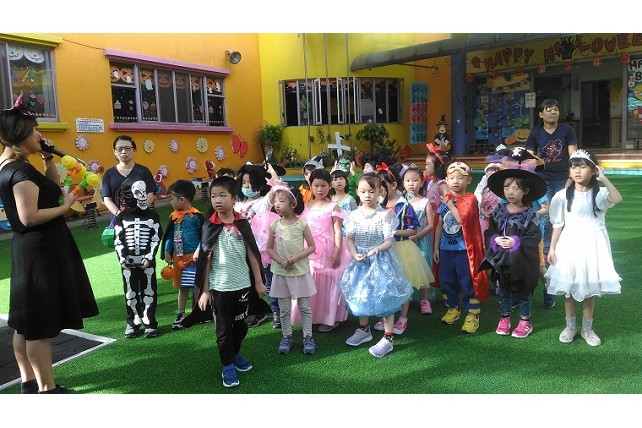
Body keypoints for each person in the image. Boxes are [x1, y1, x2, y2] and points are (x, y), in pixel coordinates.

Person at [0, 93, 98, 393]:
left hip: (32, 249)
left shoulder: (13, 166)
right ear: (21, 134)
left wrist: (47, 158)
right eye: (35, 130)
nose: (40, 135)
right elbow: (29, 217)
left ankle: (29, 383)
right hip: (40, 250)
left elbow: (52, 187)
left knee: (25, 322)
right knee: (39, 325)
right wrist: (66, 206)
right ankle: (47, 389)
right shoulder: (20, 171)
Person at [194, 176, 268, 387]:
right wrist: (205, 290)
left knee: (241, 326)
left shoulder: (242, 223)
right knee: (223, 329)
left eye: (222, 195)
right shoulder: (209, 225)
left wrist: (258, 282)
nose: (217, 200)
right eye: (213, 196)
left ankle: (234, 353)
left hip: (242, 284)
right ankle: (227, 364)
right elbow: (206, 260)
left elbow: (252, 254)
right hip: (219, 287)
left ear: (234, 198)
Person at [545, 150, 622, 347]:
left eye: (582, 166)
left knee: (589, 289)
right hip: (570, 244)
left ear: (593, 170)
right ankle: (570, 327)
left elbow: (617, 199)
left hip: (593, 245)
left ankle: (587, 329)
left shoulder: (600, 193)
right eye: (573, 167)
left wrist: (603, 178)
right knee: (569, 287)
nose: (577, 171)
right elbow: (557, 224)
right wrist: (552, 248)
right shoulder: (562, 196)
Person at [338, 174, 413, 358]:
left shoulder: (384, 215)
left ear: (380, 191)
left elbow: (389, 240)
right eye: (363, 191)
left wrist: (376, 250)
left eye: (372, 191)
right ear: (357, 192)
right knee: (360, 294)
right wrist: (354, 253)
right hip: (360, 261)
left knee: (385, 296)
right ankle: (364, 329)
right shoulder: (353, 215)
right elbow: (350, 239)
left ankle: (388, 337)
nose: (367, 195)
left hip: (381, 261)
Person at [480, 163, 546, 338]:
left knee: (523, 290)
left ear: (525, 191)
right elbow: (490, 231)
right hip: (502, 260)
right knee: (503, 289)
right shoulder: (498, 211)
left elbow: (534, 236)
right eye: (507, 187)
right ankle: (505, 318)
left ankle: (525, 320)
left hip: (522, 261)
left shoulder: (530, 214)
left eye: (516, 188)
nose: (510, 192)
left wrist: (515, 242)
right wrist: (495, 239)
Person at [525, 99, 578, 309]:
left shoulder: (567, 130)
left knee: (565, 215)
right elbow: (529, 159)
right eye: (549, 109)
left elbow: (574, 155)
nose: (553, 112)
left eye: (556, 109)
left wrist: (571, 178)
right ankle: (546, 251)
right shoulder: (535, 134)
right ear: (541, 114)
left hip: (564, 178)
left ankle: (562, 250)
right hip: (543, 180)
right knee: (545, 215)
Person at [373, 163, 433, 335]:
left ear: (393, 185)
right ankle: (386, 315)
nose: (379, 189)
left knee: (403, 283)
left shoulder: (404, 205)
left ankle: (403, 318)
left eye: (382, 185)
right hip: (382, 250)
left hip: (401, 249)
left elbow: (413, 230)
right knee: (385, 283)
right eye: (377, 186)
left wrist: (394, 232)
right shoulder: (378, 205)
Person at [433, 161, 489, 334]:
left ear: (469, 180)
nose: (455, 181)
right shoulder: (444, 201)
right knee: (446, 280)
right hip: (446, 249)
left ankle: (473, 314)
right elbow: (439, 225)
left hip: (464, 251)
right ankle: (453, 308)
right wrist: (436, 247)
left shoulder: (470, 200)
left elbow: (462, 220)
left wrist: (450, 204)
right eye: (452, 178)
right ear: (447, 180)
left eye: (460, 178)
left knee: (468, 281)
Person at [292, 168, 350, 332]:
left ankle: (330, 318)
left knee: (328, 282)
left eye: (323, 186)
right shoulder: (306, 206)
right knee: (311, 280)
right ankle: (313, 315)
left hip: (328, 249)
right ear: (310, 185)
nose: (320, 189)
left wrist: (337, 251)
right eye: (316, 185)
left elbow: (338, 230)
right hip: (310, 250)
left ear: (330, 186)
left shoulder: (333, 207)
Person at [265, 185, 317, 355]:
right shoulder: (274, 225)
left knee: (305, 307)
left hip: (300, 271)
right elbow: (269, 249)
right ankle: (286, 336)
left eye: (281, 201)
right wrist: (281, 261)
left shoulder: (302, 224)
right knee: (284, 309)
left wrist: (296, 257)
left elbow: (312, 246)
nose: (277, 204)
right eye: (275, 201)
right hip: (281, 273)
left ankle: (308, 336)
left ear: (293, 204)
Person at [113, 176, 163, 338]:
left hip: (147, 262)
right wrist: (122, 259)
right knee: (130, 292)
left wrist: (149, 257)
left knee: (149, 291)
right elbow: (118, 239)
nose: (142, 196)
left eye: (144, 192)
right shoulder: (121, 217)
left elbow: (156, 237)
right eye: (138, 192)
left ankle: (150, 322)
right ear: (128, 195)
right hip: (128, 263)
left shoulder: (152, 215)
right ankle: (133, 322)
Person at [235, 162, 282, 328]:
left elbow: (277, 188)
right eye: (243, 182)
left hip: (262, 253)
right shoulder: (237, 205)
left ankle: (276, 310)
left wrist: (271, 172)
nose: (247, 186)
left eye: (250, 182)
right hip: (241, 251)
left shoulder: (263, 202)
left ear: (260, 183)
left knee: (268, 283)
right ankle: (256, 312)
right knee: (248, 284)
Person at [161, 179, 205, 330]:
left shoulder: (196, 216)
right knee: (183, 286)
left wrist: (199, 250)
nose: (170, 202)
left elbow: (205, 236)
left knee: (198, 285)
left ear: (182, 200)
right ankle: (180, 313)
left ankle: (201, 311)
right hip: (179, 258)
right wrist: (167, 251)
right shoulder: (174, 217)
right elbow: (169, 235)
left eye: (172, 199)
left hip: (194, 258)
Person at [402, 165, 435, 314]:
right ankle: (405, 299)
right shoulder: (401, 202)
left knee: (423, 269)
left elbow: (430, 225)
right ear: (403, 183)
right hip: (404, 243)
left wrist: (416, 236)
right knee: (405, 269)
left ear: (422, 183)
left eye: (415, 180)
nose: (411, 184)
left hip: (421, 242)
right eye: (408, 180)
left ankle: (424, 299)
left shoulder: (424, 202)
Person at [100, 135, 157, 216]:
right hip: (118, 219)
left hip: (141, 217)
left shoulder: (143, 171)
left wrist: (139, 213)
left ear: (134, 150)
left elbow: (150, 195)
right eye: (119, 149)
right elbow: (107, 199)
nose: (123, 151)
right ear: (115, 151)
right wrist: (119, 215)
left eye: (127, 148)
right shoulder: (109, 174)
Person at [423, 144, 452, 302]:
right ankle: (431, 290)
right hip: (429, 221)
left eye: (428, 164)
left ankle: (445, 288)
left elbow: (450, 201)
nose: (425, 167)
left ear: (438, 166)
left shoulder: (442, 185)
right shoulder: (430, 183)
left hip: (438, 222)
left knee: (438, 254)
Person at [474, 161, 503, 241]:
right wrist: (484, 212)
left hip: (500, 221)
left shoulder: (503, 191)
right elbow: (482, 206)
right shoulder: (486, 190)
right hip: (487, 220)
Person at [330, 168, 358, 236]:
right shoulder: (329, 200)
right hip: (333, 234)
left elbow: (356, 216)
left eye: (341, 179)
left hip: (348, 233)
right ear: (331, 185)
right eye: (335, 180)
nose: (338, 181)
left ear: (346, 182)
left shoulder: (350, 199)